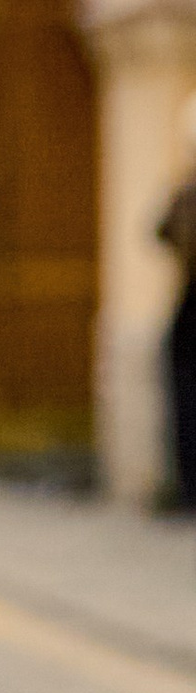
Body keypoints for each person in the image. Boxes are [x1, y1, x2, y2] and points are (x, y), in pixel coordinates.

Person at [159, 92, 196, 510]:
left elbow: (162, 232)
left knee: (185, 401)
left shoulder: (186, 194)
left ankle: (189, 487)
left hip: (189, 307)